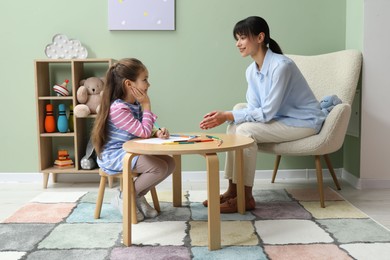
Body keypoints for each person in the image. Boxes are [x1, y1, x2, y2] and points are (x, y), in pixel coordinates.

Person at [199, 16, 326, 213]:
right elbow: (253, 108)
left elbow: (266, 113)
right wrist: (228, 117)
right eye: (237, 39)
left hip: (304, 122)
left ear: (260, 37)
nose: (238, 43)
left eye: (242, 38)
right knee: (233, 127)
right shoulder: (251, 70)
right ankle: (233, 191)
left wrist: (228, 113)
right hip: (282, 120)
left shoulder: (281, 66)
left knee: (245, 131)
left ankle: (246, 197)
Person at [92, 58, 175, 221]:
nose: (148, 84)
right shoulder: (119, 108)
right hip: (115, 154)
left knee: (170, 163)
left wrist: (156, 132)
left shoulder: (134, 104)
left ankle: (136, 195)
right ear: (129, 84)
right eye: (144, 80)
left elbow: (142, 131)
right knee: (157, 167)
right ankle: (124, 197)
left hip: (132, 150)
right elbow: (142, 132)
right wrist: (147, 105)